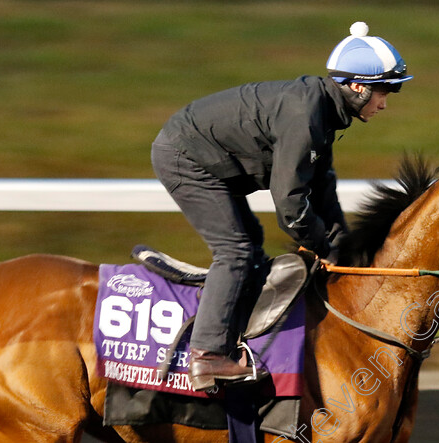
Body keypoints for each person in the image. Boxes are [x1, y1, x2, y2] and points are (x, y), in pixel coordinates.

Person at [151, 22, 413, 391]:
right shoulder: (305, 117)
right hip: (184, 157)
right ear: (357, 87)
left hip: (201, 153)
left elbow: (322, 187)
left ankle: (236, 330)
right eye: (384, 91)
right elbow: (290, 205)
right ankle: (208, 357)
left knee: (251, 241)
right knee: (236, 250)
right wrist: (321, 245)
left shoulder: (323, 113)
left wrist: (343, 249)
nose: (385, 103)